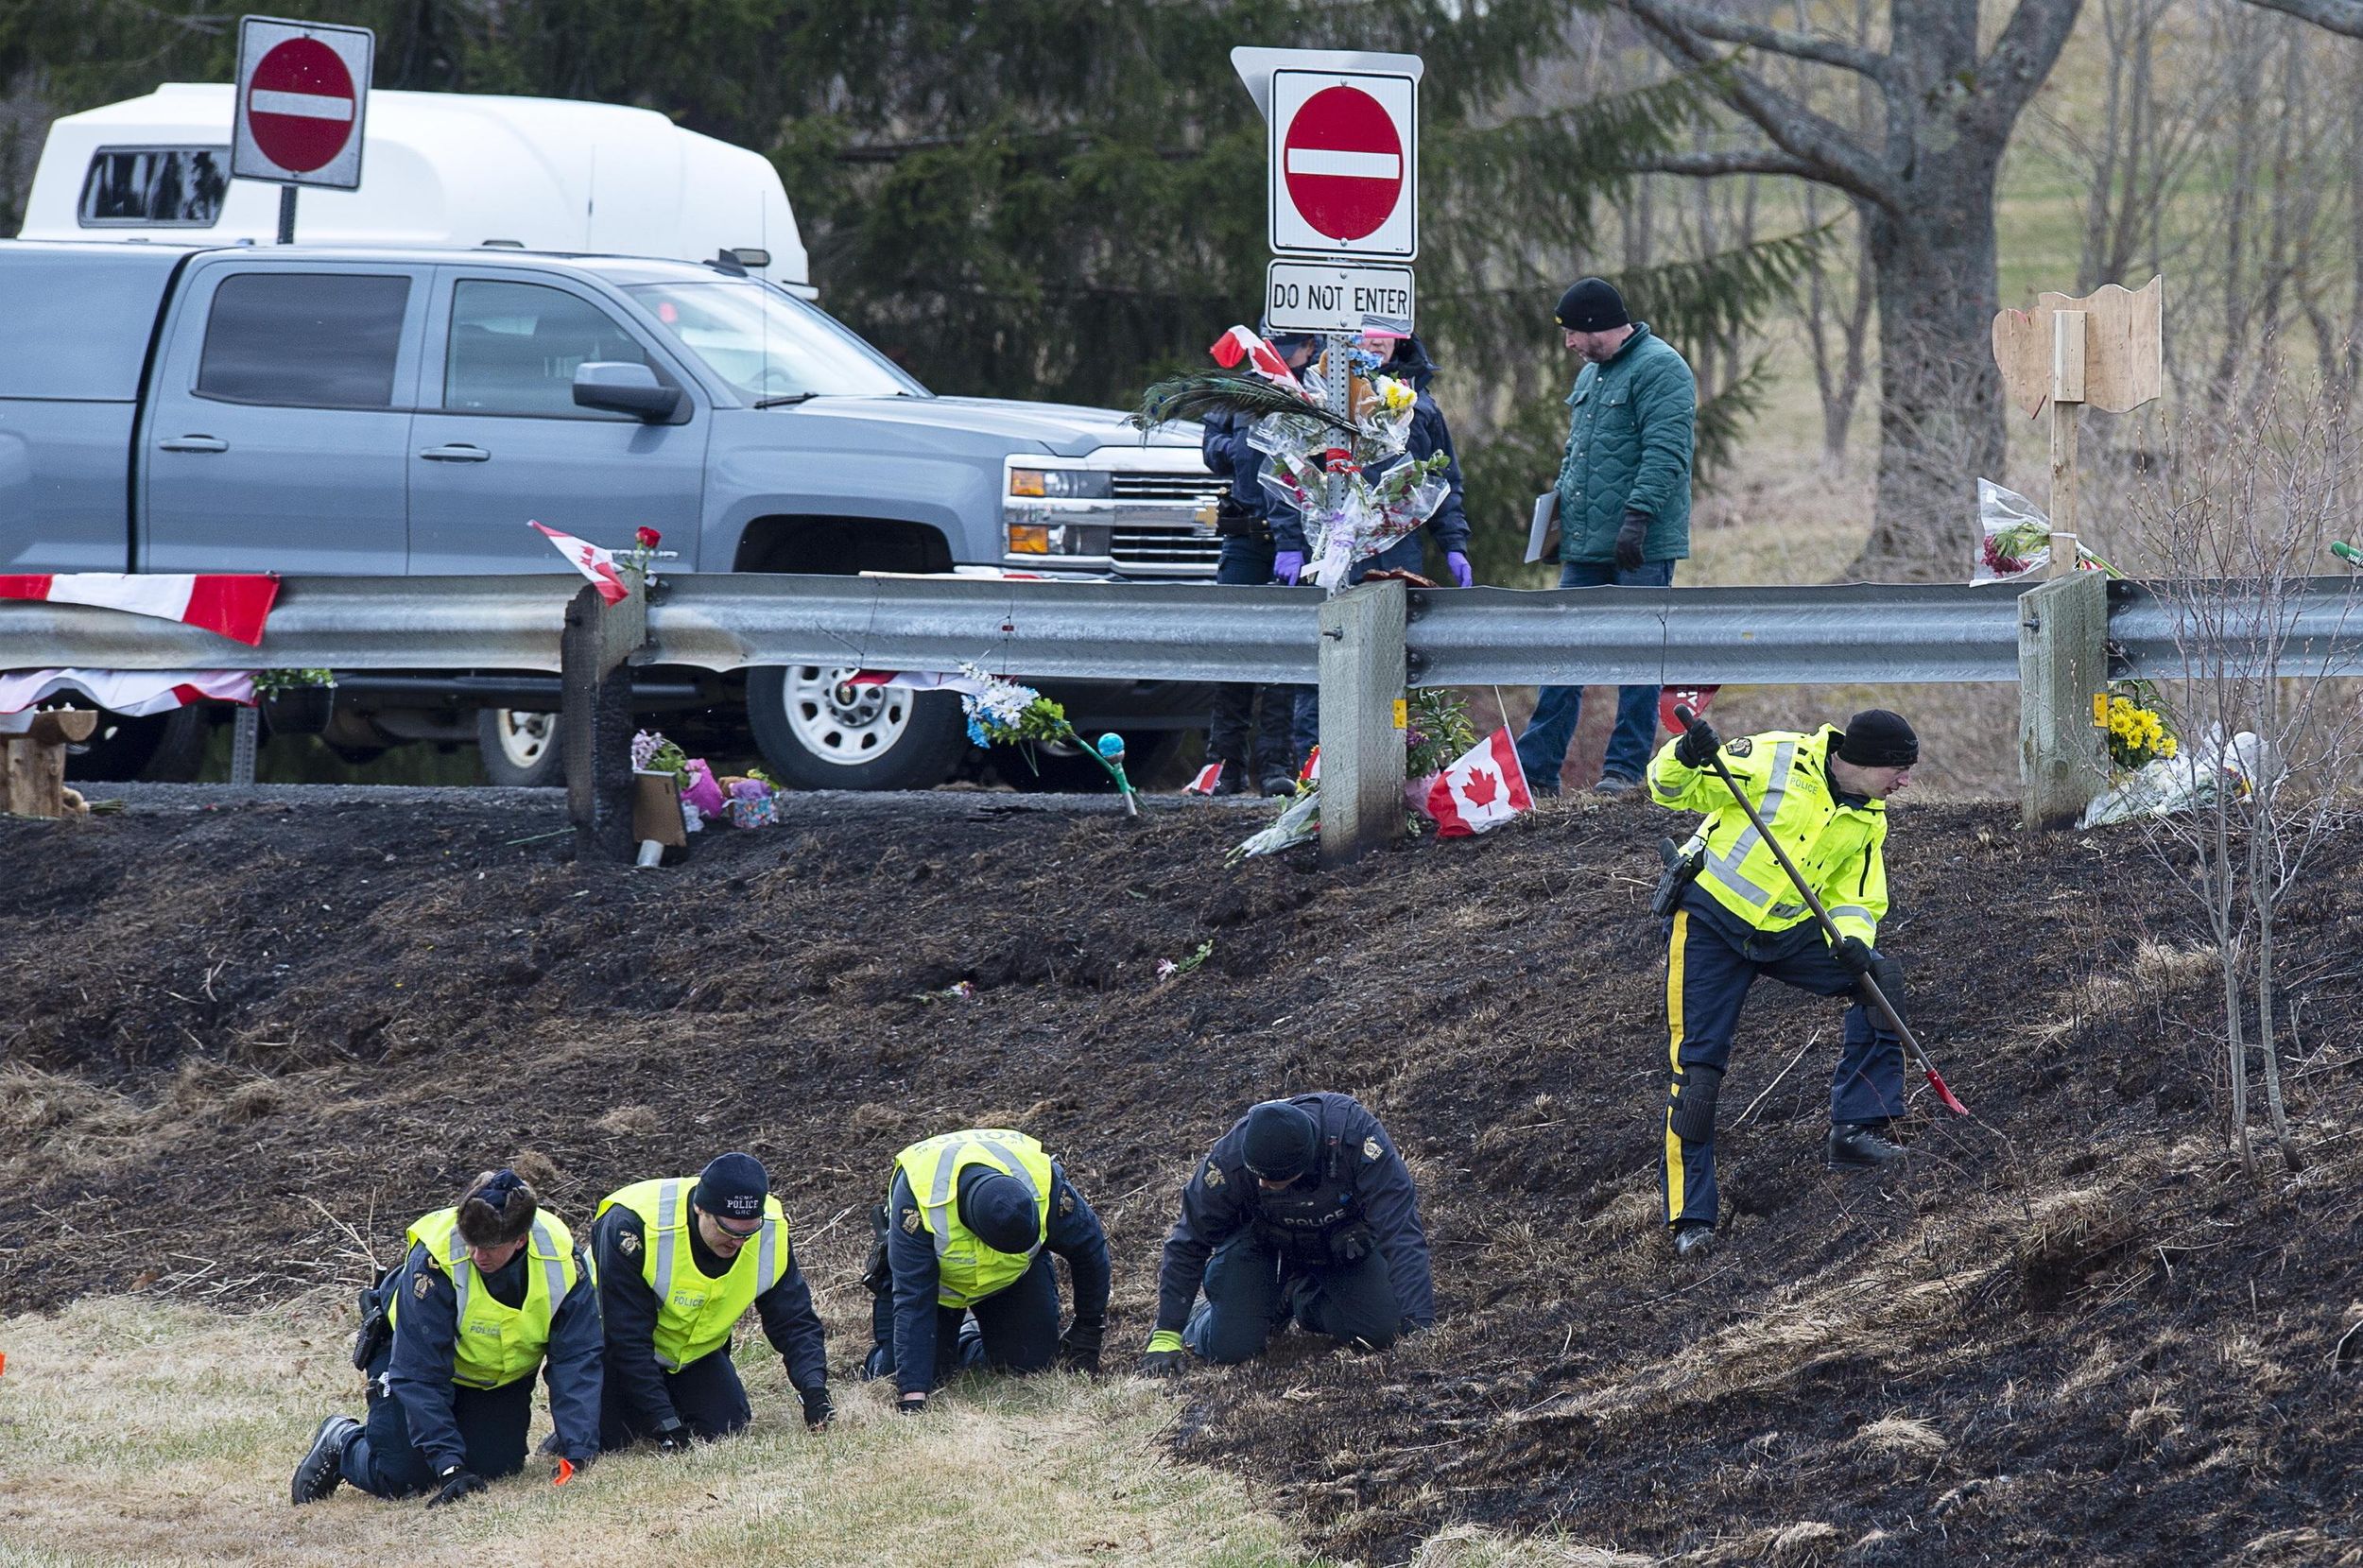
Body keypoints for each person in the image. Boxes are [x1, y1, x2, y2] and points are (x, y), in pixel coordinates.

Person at [1647, 708, 1921, 1260]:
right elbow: (1668, 789)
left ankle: (1857, 1131)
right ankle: (1691, 1219)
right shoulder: (1774, 756)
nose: (1905, 782)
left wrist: (1851, 941)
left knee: (1877, 983)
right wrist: (1685, 754)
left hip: (1787, 932)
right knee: (1697, 1072)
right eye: (1899, 769)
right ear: (1864, 762)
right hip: (1711, 925)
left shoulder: (1869, 815)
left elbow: (1856, 896)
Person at [290, 1168, 600, 1508]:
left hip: (492, 1375)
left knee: (496, 1469)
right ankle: (343, 1441)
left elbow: (577, 1358)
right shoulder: (434, 1262)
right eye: (471, 1242)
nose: (477, 1256)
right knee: (405, 1474)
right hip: (407, 1356)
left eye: (490, 1248)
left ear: (520, 1241)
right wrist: (449, 1467)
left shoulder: (562, 1259)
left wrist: (579, 1450)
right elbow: (419, 1373)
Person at [1515, 277, 1698, 797]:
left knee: (1638, 658)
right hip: (1585, 545)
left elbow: (1667, 452)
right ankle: (1537, 772)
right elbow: (1578, 456)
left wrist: (1637, 517)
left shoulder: (1662, 368)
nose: (1569, 343)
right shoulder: (1594, 373)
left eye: (1573, 332)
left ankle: (1623, 771)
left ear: (1598, 326)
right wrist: (1557, 523)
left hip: (1640, 546)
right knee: (1563, 653)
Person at [1139, 1093, 1434, 1372]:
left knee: (1383, 1331)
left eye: (1273, 1179)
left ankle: (1300, 1300)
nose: (1264, 1185)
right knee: (1230, 1349)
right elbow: (1189, 1240)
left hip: (1339, 1245)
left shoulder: (1355, 1139)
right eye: (1259, 1177)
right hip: (1261, 1245)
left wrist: (1419, 1326)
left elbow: (1401, 1234)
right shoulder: (1229, 1160)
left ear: (1305, 1164)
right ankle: (1204, 1316)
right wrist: (1167, 1333)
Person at [1284, 330, 1471, 761]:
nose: (1375, 342)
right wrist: (1291, 541)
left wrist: (1453, 543)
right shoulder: (1318, 393)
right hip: (1335, 547)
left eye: (1386, 335)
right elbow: (1291, 475)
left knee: (1392, 663)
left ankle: (1390, 758)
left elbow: (1444, 481)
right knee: (1330, 652)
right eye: (1366, 333)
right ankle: (1315, 763)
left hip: (1398, 549)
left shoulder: (1419, 403)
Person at [590, 1152, 833, 1448]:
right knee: (610, 1439)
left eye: (748, 1231)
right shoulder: (633, 1226)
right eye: (727, 1230)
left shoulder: (770, 1229)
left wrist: (814, 1390)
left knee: (726, 1428)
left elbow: (794, 1319)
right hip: (614, 1350)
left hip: (694, 1355)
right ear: (699, 1208)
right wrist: (665, 1423)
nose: (739, 1242)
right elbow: (627, 1337)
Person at [858, 1127, 1111, 1411]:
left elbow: (1089, 1249)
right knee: (911, 1374)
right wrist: (912, 1396)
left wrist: (1088, 1329)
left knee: (1032, 1363)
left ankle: (969, 1337)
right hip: (933, 1292)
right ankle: (901, 1353)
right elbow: (913, 1297)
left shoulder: (1041, 1181)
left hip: (1010, 1280)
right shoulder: (919, 1197)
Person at [1203, 328, 1319, 795]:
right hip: (1245, 536)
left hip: (1291, 542)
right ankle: (1223, 764)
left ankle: (1277, 764)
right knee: (1234, 648)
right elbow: (1211, 449)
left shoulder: (1312, 393)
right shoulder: (1238, 391)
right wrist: (1238, 448)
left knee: (1285, 655)